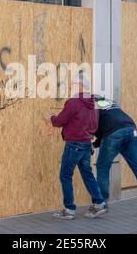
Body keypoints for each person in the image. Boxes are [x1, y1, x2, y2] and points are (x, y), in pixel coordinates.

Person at [50, 77, 108, 220]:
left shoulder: (74, 102)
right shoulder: (94, 103)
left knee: (65, 175)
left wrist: (52, 118)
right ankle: (99, 203)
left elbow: (59, 121)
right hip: (86, 143)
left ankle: (69, 209)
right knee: (88, 174)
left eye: (73, 85)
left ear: (81, 87)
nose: (71, 88)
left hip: (74, 144)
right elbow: (95, 125)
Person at [94, 97, 137, 215]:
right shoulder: (110, 103)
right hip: (131, 130)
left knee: (102, 167)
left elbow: (96, 127)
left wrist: (92, 144)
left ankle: (101, 203)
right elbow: (114, 122)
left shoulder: (90, 107)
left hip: (113, 133)